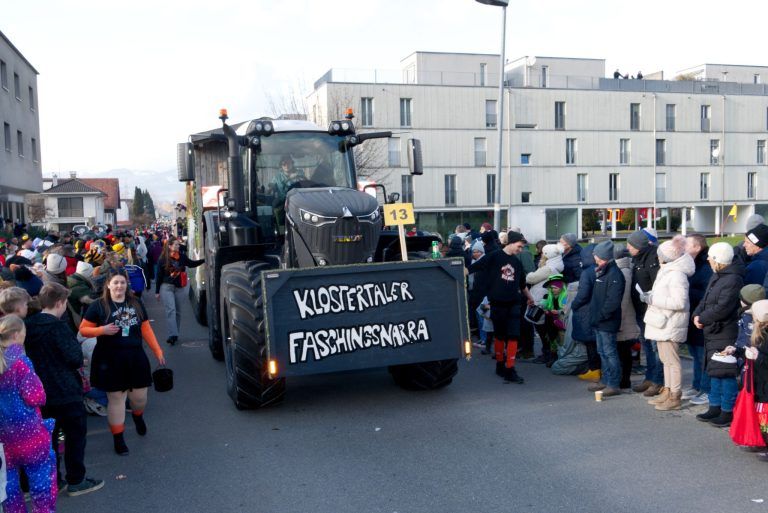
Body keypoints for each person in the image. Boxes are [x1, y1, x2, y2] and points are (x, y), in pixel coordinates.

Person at [24, 282, 104, 497]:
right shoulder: (58, 327)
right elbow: (74, 358)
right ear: (59, 302)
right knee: (74, 437)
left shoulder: (28, 325)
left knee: (48, 440)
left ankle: (53, 480)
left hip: (39, 392)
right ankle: (76, 480)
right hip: (65, 390)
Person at [80, 270, 166, 455]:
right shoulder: (98, 306)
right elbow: (84, 330)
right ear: (108, 285)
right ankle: (118, 439)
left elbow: (146, 328)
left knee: (139, 398)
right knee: (116, 399)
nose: (119, 286)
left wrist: (157, 350)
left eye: (122, 283)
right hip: (109, 359)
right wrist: (101, 330)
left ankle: (138, 416)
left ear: (127, 285)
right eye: (116, 283)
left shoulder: (136, 302)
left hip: (135, 356)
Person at [0, 315, 57, 512]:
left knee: (9, 484)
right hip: (29, 433)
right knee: (41, 479)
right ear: (16, 335)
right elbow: (36, 397)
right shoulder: (21, 362)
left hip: (3, 437)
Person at [639, 236, 695, 411]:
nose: (657, 257)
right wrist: (651, 295)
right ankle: (668, 391)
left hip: (670, 323)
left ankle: (675, 396)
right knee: (665, 360)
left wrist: (653, 298)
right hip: (662, 322)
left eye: (659, 254)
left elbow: (679, 302)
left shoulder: (677, 274)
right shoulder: (668, 270)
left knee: (672, 361)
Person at [472, 230, 534, 383]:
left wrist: (530, 298)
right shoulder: (494, 256)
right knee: (500, 335)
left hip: (514, 302)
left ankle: (509, 368)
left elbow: (522, 284)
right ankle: (500, 365)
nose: (520, 250)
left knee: (513, 335)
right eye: (519, 246)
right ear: (511, 242)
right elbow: (474, 267)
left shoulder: (517, 262)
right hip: (497, 303)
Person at [693, 242, 745, 427]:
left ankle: (727, 411)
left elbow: (723, 307)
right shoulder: (718, 275)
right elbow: (705, 300)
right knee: (714, 371)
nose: (707, 258)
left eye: (710, 256)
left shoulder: (733, 279)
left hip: (725, 332)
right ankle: (715, 406)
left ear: (717, 260)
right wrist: (696, 315)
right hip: (713, 331)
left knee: (725, 373)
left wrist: (703, 317)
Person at [723, 300, 768, 460]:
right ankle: (761, 441)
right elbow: (752, 352)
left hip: (765, 382)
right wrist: (738, 351)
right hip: (758, 381)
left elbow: (761, 356)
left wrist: (757, 356)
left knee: (766, 416)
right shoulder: (759, 333)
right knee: (760, 415)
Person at [627, 230, 663, 396]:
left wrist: (648, 297)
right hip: (641, 310)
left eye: (630, 244)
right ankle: (649, 377)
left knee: (655, 348)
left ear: (638, 246)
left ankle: (658, 381)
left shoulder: (652, 258)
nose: (628, 247)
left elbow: (656, 284)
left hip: (651, 310)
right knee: (647, 346)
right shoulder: (637, 258)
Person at [587, 241, 625, 397]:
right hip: (599, 320)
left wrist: (601, 315)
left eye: (597, 257)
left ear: (605, 257)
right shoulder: (602, 271)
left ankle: (614, 384)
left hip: (606, 321)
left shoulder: (615, 274)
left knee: (609, 353)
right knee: (602, 351)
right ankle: (606, 379)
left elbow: (613, 301)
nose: (595, 259)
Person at [155, 237, 204, 345]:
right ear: (170, 246)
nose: (178, 246)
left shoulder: (181, 257)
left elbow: (191, 264)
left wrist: (204, 260)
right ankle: (172, 334)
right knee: (171, 310)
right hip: (166, 287)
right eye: (176, 245)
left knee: (178, 312)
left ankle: (175, 334)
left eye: (178, 244)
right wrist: (157, 291)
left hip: (179, 288)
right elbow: (158, 276)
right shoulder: (163, 258)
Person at [684, 234, 713, 405]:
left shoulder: (705, 266)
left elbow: (707, 294)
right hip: (691, 315)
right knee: (695, 353)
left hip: (701, 316)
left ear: (696, 247)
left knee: (703, 355)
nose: (684, 247)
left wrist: (686, 291)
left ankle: (706, 389)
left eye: (687, 245)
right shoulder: (690, 264)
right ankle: (696, 385)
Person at [571, 245, 600, 382]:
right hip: (596, 309)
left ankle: (594, 370)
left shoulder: (587, 272)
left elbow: (583, 294)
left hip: (586, 311)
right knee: (596, 343)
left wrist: (574, 305)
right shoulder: (599, 269)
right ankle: (596, 369)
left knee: (590, 343)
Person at [615, 244, 640, 390]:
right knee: (624, 351)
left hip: (624, 318)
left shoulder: (623, 272)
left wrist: (619, 321)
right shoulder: (628, 269)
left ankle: (624, 380)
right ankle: (624, 379)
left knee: (623, 351)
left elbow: (623, 300)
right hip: (628, 317)